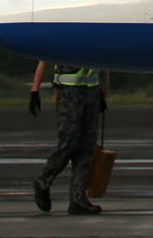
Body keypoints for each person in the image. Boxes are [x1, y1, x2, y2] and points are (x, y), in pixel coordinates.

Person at [29, 59, 107, 215]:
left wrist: (99, 92)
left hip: (90, 92)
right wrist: (34, 90)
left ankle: (78, 199)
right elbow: (43, 58)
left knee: (87, 146)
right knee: (68, 141)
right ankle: (43, 181)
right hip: (69, 92)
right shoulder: (65, 35)